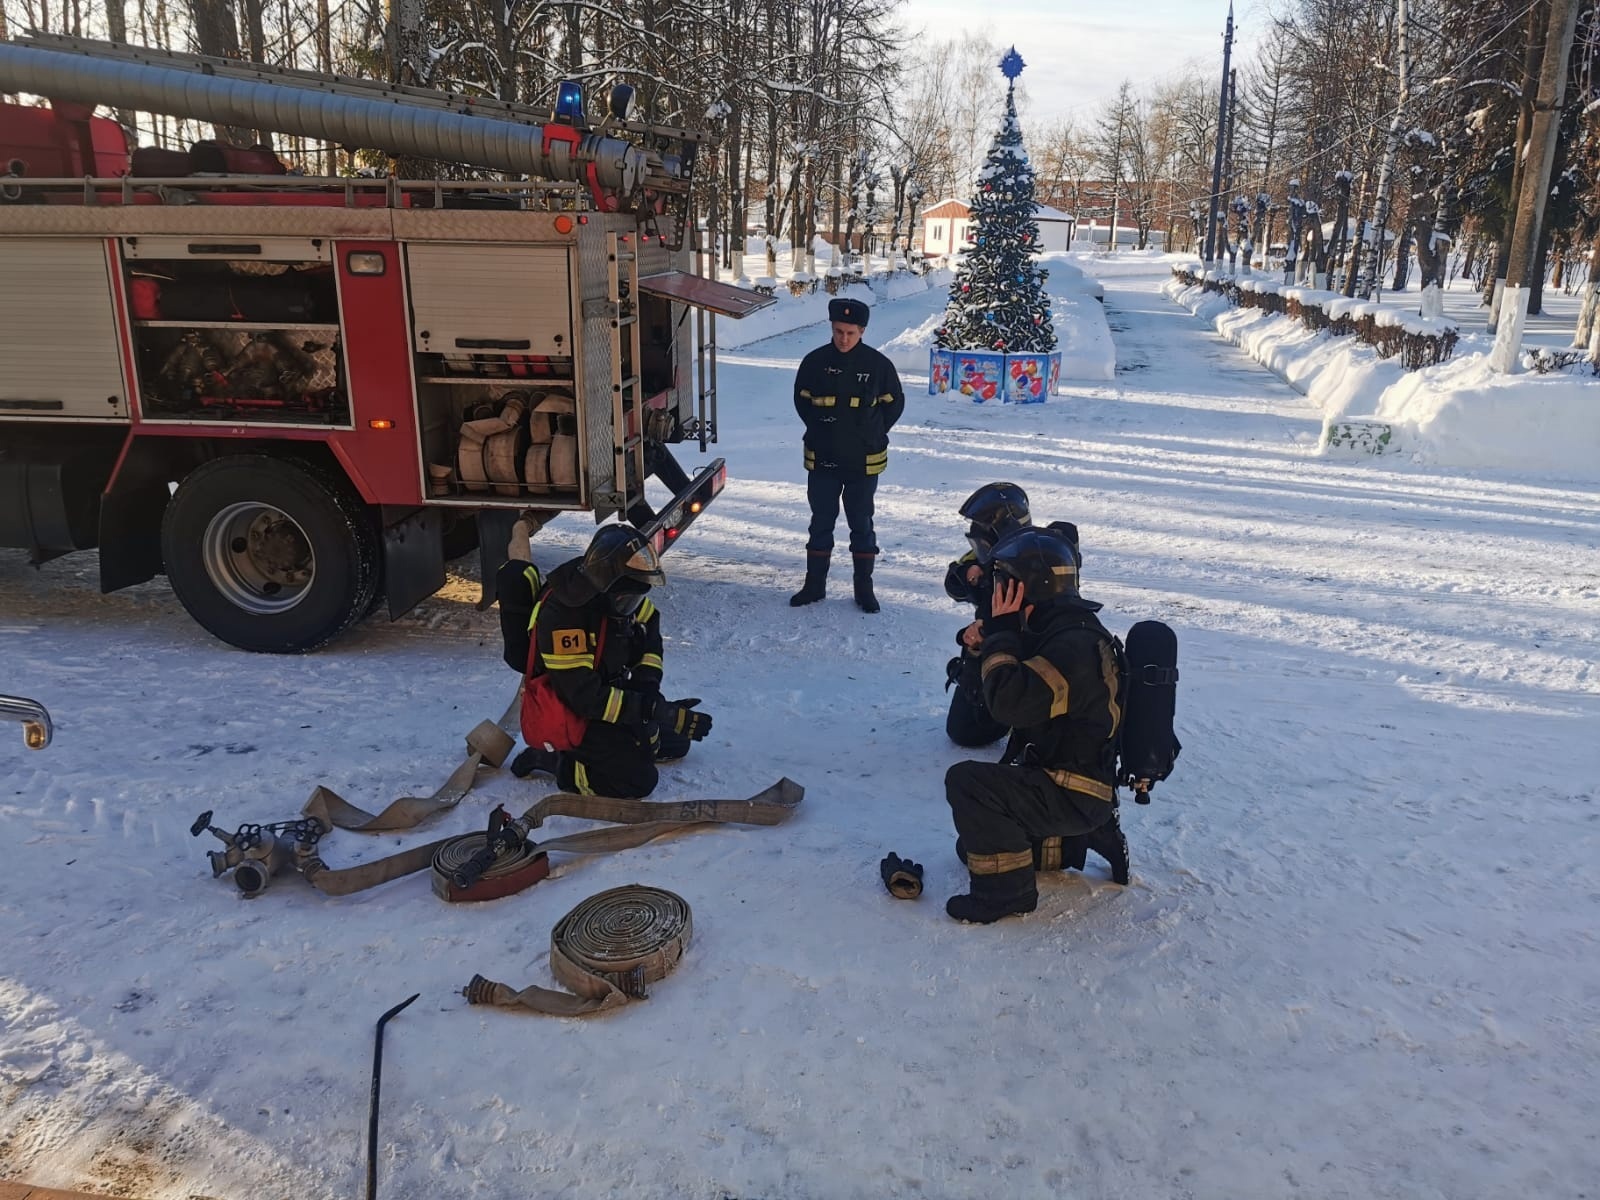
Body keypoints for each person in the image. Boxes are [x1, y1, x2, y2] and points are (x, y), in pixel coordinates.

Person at [944, 529, 1131, 923]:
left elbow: (1008, 706)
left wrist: (1003, 636)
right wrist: (982, 647)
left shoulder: (1070, 648)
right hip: (1072, 780)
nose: (994, 594)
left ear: (1021, 589)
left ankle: (1005, 894)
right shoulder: (1060, 628)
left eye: (1000, 584)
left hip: (1071, 787)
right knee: (973, 845)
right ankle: (1077, 842)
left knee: (968, 785)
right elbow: (988, 704)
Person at [496, 523, 712, 798]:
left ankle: (624, 742)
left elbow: (649, 627)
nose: (633, 606)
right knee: (639, 780)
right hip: (574, 715)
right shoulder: (564, 618)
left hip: (609, 696)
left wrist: (648, 689)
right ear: (603, 587)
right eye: (627, 599)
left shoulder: (622, 598)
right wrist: (653, 711)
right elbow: (584, 699)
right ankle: (557, 762)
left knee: (678, 742)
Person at [789, 297, 906, 613]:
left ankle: (864, 589)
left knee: (862, 524)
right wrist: (823, 428)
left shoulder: (878, 365)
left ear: (862, 331)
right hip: (823, 458)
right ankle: (814, 586)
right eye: (839, 331)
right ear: (831, 327)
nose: (843, 339)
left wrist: (871, 433)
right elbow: (803, 402)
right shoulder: (814, 362)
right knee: (820, 522)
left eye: (850, 333)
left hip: (863, 460)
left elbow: (893, 405)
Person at [943, 482, 1080, 749]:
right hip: (994, 642)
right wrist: (971, 573)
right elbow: (954, 584)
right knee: (963, 730)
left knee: (973, 731)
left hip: (1032, 655)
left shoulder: (1039, 556)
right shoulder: (988, 557)